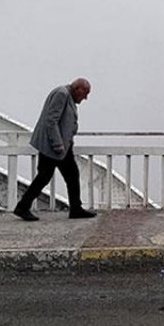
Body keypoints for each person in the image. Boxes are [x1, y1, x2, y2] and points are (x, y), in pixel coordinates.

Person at [13, 77, 97, 221]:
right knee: (46, 177)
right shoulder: (62, 94)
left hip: (61, 146)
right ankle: (22, 207)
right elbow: (51, 120)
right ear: (78, 89)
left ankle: (75, 208)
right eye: (85, 94)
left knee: (68, 176)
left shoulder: (65, 94)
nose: (86, 98)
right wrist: (57, 144)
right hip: (53, 146)